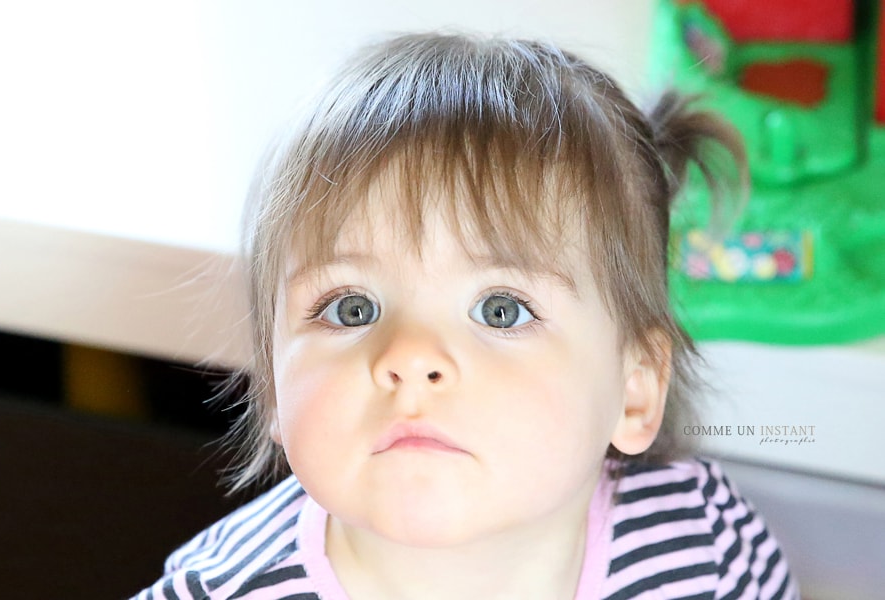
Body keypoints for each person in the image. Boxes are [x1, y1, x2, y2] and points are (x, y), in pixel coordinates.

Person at [135, 33, 798, 599]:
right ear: (275, 385)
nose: (410, 357)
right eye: (351, 307)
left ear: (635, 388)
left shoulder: (702, 546)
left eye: (501, 310)